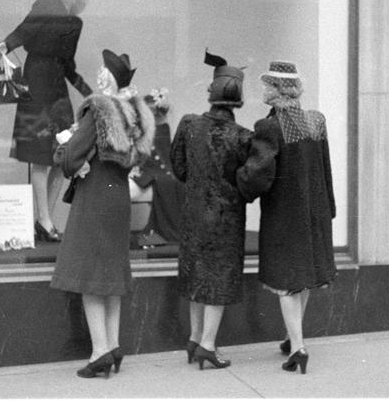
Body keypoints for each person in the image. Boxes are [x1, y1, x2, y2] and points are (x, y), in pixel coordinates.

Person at [50, 49, 155, 378]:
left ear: (109, 77)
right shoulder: (132, 112)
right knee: (110, 276)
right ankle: (113, 346)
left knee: (90, 277)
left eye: (103, 70)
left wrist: (64, 146)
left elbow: (70, 159)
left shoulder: (98, 109)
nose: (98, 73)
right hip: (118, 196)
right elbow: (136, 156)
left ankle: (99, 352)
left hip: (95, 195)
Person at [236, 60, 336, 375]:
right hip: (315, 212)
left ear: (276, 89)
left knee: (286, 282)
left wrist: (239, 185)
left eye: (267, 84)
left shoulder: (270, 127)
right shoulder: (315, 121)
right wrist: (330, 209)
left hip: (285, 216)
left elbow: (258, 175)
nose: (263, 89)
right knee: (302, 278)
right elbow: (325, 168)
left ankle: (297, 348)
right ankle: (293, 338)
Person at [0, 0, 95, 243]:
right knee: (40, 157)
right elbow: (23, 31)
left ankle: (45, 219)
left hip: (57, 90)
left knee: (63, 156)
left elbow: (68, 65)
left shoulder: (75, 22)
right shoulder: (45, 5)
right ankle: (45, 220)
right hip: (37, 85)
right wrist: (4, 46)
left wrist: (88, 91)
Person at [170, 51, 252, 370]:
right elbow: (248, 181)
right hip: (226, 219)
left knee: (197, 275)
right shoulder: (242, 137)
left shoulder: (189, 125)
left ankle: (194, 339)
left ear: (211, 92)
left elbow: (179, 169)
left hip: (194, 214)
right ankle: (207, 344)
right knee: (218, 280)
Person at [130, 88, 185, 247]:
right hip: (147, 169)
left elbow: (163, 155)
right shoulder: (141, 131)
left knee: (171, 182)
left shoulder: (162, 129)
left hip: (159, 170)